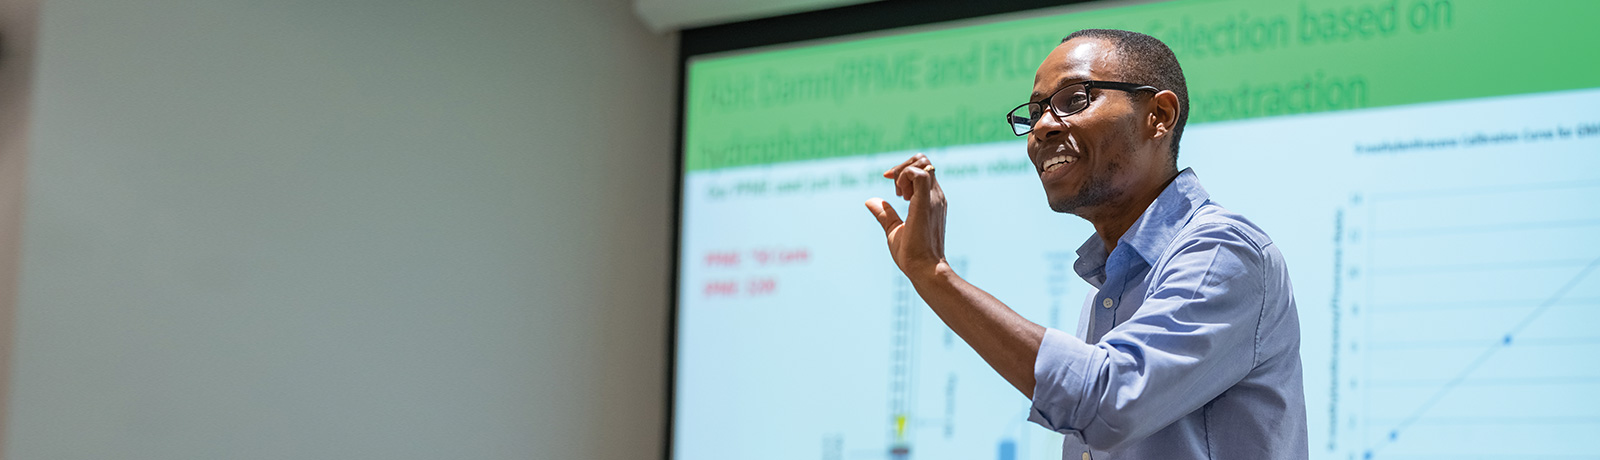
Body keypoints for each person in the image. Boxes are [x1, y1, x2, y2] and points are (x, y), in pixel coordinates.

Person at [863, 29, 1308, 459]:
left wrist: (933, 274)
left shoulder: (1222, 251)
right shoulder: (1109, 286)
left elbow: (1108, 401)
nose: (1041, 128)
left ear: (1159, 116)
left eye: (1074, 100)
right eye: (1033, 113)